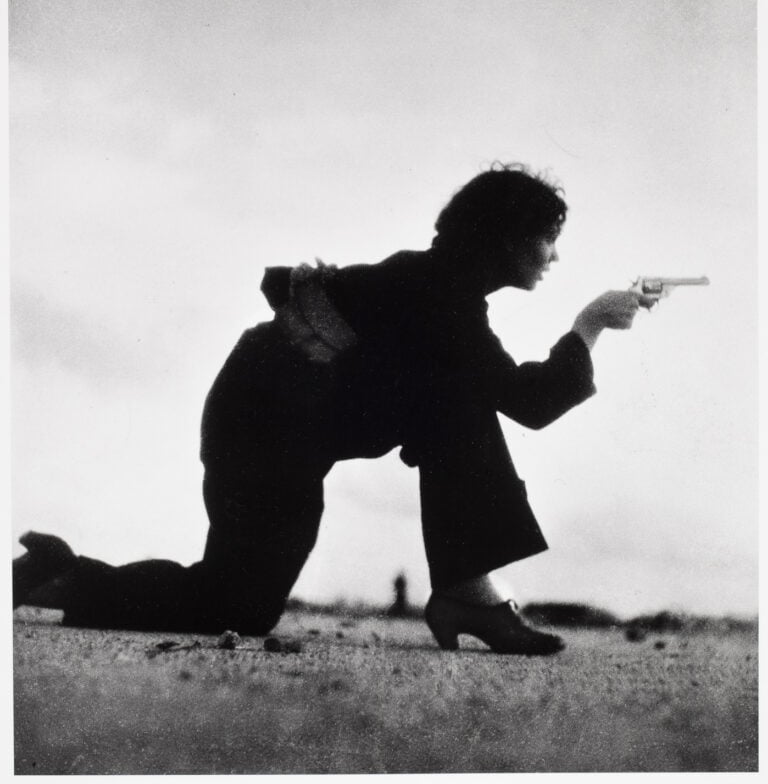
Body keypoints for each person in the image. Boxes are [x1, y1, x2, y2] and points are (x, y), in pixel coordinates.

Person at [13, 162, 652, 655]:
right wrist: (589, 325)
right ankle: (62, 578)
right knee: (235, 605)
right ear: (505, 239)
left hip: (277, 422)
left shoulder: (436, 286)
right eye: (545, 239)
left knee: (460, 401)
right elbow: (530, 404)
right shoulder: (439, 297)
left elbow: (297, 288)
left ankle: (469, 592)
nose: (553, 256)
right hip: (262, 432)